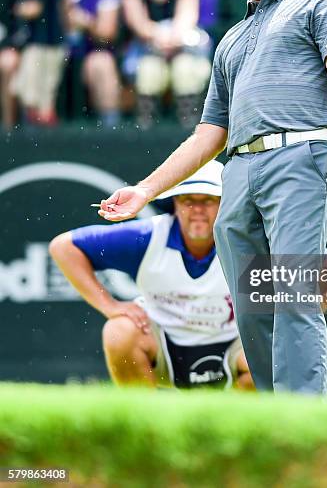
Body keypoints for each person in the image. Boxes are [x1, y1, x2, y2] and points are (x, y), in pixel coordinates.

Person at [97, 0, 327, 396]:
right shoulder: (231, 41)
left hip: (301, 156)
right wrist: (144, 191)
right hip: (238, 171)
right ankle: (271, 412)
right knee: (251, 302)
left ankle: (301, 420)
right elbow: (208, 134)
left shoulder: (316, 3)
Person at [49, 161, 254, 390]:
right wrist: (110, 306)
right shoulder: (148, 237)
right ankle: (143, 422)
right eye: (188, 200)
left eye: (208, 200)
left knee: (270, 344)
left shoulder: (244, 241)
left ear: (223, 204)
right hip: (164, 345)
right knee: (119, 331)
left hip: (233, 346)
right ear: (175, 204)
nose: (198, 210)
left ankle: (234, 425)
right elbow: (63, 247)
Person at [121, 0, 212, 128]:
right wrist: (160, 36)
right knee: (148, 69)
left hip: (182, 48)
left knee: (185, 68)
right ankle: (146, 125)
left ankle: (189, 124)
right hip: (147, 50)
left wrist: (172, 38)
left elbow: (186, 19)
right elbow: (138, 24)